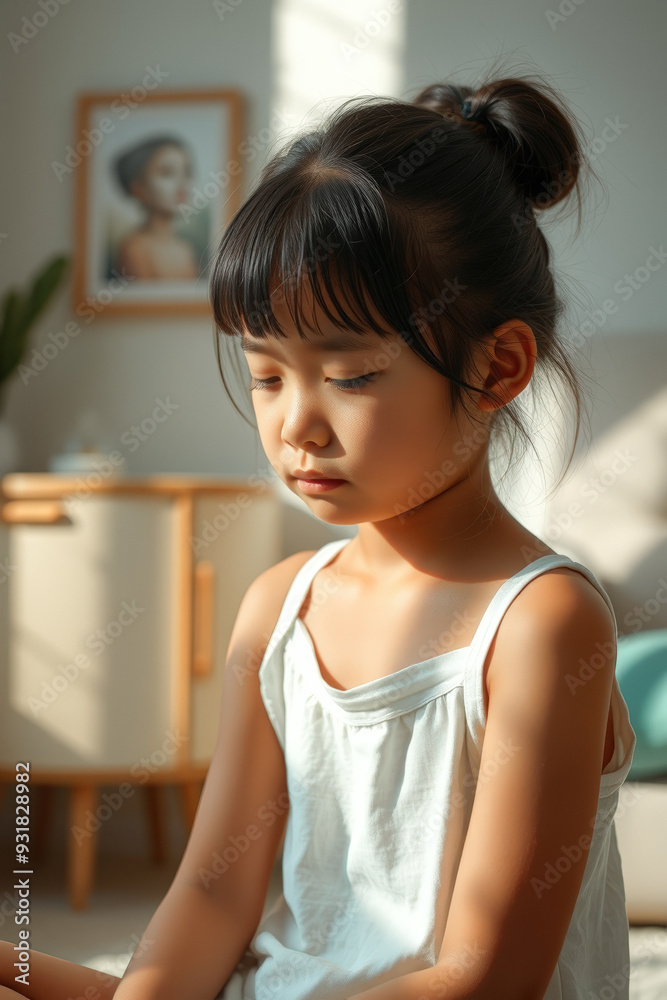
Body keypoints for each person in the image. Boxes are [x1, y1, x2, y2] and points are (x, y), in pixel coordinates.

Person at [0, 68, 638, 1000]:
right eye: (266, 376)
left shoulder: (541, 626)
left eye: (349, 375)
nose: (295, 424)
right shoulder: (281, 606)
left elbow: (484, 976)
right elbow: (214, 898)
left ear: (497, 366)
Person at [112, 135, 198, 280]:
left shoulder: (185, 249)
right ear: (138, 187)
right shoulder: (135, 249)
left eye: (187, 172)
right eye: (167, 173)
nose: (182, 183)